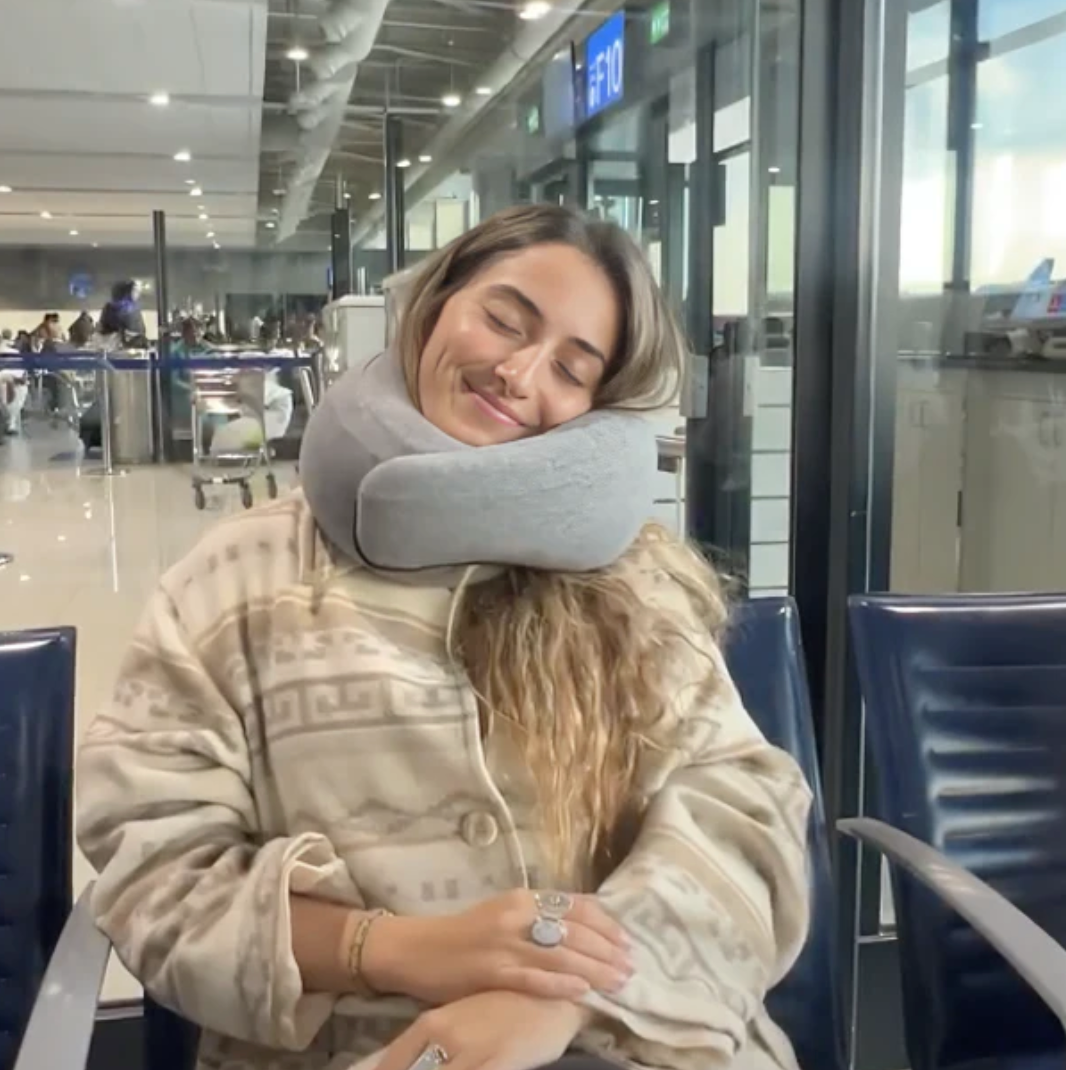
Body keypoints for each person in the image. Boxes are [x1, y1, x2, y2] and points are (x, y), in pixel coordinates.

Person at [76, 206, 811, 1070]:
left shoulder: (636, 584)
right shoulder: (233, 578)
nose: (519, 373)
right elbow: (154, 869)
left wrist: (567, 995)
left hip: (635, 1043)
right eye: (504, 320)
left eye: (572, 369)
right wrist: (394, 950)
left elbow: (745, 812)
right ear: (433, 307)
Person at [99, 280, 148, 345]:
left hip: (115, 345)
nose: (137, 294)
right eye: (135, 290)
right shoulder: (131, 309)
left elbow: (103, 329)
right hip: (122, 345)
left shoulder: (109, 307)